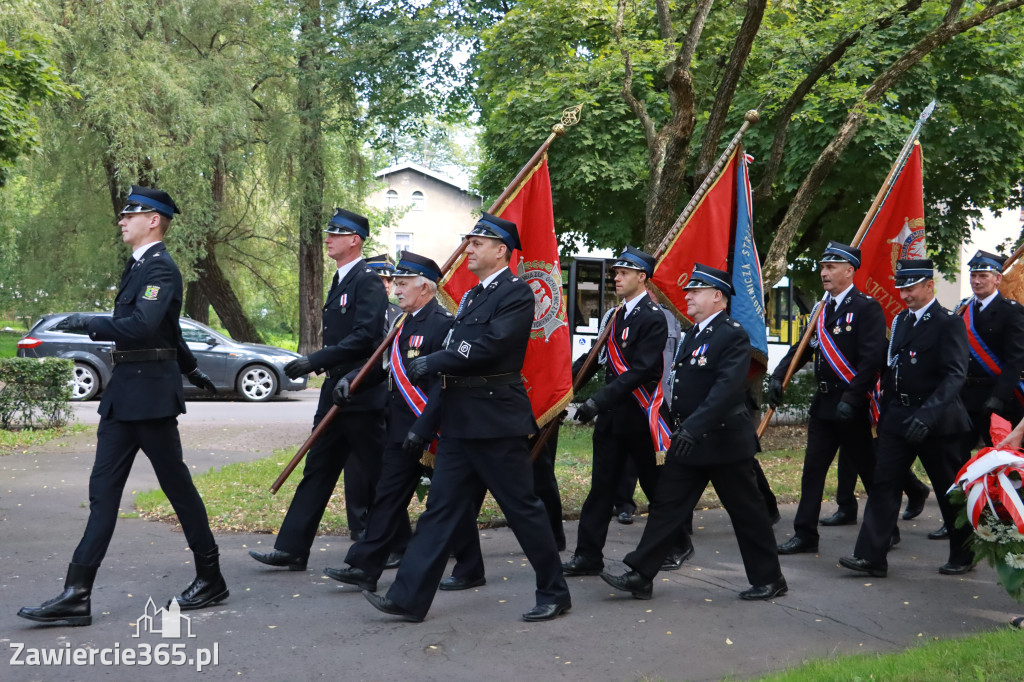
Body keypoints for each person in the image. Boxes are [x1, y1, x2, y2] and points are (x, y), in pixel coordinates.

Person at [18, 185, 225, 626]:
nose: (122, 219)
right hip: (124, 395)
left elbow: (142, 326)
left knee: (177, 489)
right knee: (102, 495)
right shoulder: (138, 269)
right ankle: (77, 593)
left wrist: (83, 322)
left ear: (155, 221)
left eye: (132, 214)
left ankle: (211, 576)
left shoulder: (161, 268)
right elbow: (169, 330)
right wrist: (192, 369)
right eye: (124, 213)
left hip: (149, 400)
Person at [361, 212, 571, 622]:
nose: (468, 249)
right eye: (469, 242)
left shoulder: (517, 293)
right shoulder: (473, 296)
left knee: (522, 510)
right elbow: (462, 345)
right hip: (460, 420)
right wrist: (427, 420)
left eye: (477, 243)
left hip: (495, 421)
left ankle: (554, 590)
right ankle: (408, 596)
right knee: (439, 510)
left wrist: (435, 360)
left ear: (500, 250)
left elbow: (492, 345)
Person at [601, 264, 786, 601]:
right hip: (690, 441)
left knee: (748, 514)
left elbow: (726, 390)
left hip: (725, 442)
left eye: (696, 291)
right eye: (689, 291)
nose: (687, 296)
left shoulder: (732, 334)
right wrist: (682, 428)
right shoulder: (693, 334)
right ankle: (641, 573)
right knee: (666, 508)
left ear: (718, 297)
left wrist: (693, 428)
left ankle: (770, 579)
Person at [323, 251, 484, 592]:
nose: (396, 290)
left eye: (403, 283)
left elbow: (445, 385)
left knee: (449, 500)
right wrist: (350, 378)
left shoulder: (444, 325)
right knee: (388, 496)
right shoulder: (401, 323)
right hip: (401, 429)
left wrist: (424, 428)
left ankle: (470, 568)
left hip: (434, 431)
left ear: (425, 287)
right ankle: (365, 567)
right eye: (396, 283)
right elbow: (380, 367)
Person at [249, 208, 387, 570]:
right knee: (318, 469)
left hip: (358, 392)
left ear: (354, 240)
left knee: (378, 474)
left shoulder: (367, 280)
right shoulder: (341, 280)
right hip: (335, 391)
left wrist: (314, 359)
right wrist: (323, 365)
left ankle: (397, 544)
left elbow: (366, 337)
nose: (327, 238)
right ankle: (292, 548)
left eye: (335, 233)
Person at [840, 259, 975, 578]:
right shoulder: (901, 320)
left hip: (937, 420)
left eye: (911, 287)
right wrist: (886, 411)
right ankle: (871, 556)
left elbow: (955, 375)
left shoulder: (947, 322)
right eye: (902, 288)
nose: (905, 294)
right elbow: (892, 368)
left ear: (930, 285)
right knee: (884, 483)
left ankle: (963, 552)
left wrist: (928, 416)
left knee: (949, 488)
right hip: (898, 416)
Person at [563, 246, 692, 579]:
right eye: (615, 272)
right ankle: (588, 555)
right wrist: (566, 385)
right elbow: (594, 358)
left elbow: (642, 370)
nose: (615, 277)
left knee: (655, 486)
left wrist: (598, 401)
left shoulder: (653, 317)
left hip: (641, 418)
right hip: (613, 419)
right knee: (601, 488)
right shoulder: (617, 315)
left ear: (641, 277)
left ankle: (678, 543)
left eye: (622, 273)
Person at [769, 241, 887, 555]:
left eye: (831, 267)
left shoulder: (866, 307)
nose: (824, 273)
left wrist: (853, 396)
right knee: (812, 472)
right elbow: (801, 348)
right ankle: (805, 534)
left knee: (869, 471)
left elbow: (872, 359)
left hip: (852, 406)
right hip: (823, 405)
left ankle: (887, 528)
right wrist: (779, 376)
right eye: (823, 267)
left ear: (850, 271)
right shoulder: (822, 310)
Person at [924, 250, 1024, 541]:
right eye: (973, 275)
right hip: (964, 396)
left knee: (1001, 463)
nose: (977, 281)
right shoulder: (962, 309)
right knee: (954, 459)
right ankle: (957, 520)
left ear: (997, 278)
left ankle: (1004, 518)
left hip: (998, 398)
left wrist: (999, 397)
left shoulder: (1012, 311)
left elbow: (1016, 360)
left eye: (983, 275)